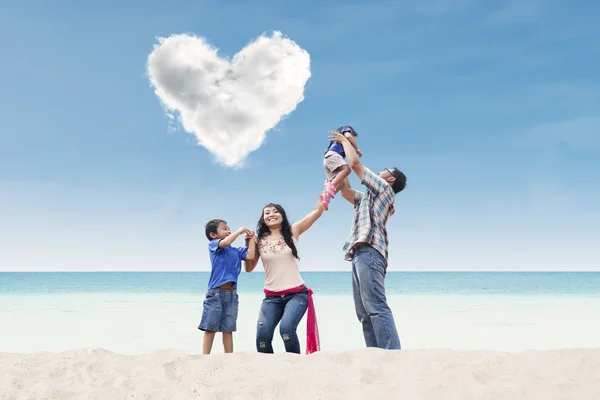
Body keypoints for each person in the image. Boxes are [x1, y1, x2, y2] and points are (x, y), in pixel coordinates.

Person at [328, 130, 407, 350]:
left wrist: (345, 141)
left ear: (390, 179)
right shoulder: (367, 198)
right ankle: (374, 353)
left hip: (371, 251)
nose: (380, 171)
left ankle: (391, 354)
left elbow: (355, 165)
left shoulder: (384, 189)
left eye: (385, 170)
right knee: (363, 311)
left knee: (376, 306)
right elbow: (345, 191)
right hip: (360, 253)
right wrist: (335, 166)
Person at [244, 197, 327, 354]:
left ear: (282, 215)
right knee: (263, 336)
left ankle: (294, 366)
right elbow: (249, 268)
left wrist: (326, 194)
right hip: (271, 298)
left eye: (276, 211)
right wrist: (249, 245)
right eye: (267, 212)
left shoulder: (293, 231)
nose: (271, 214)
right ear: (263, 218)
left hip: (296, 295)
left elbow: (317, 212)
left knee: (287, 330)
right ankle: (268, 369)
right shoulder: (258, 240)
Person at [198, 219, 256, 354]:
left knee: (228, 329)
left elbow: (251, 255)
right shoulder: (214, 245)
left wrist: (251, 239)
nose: (228, 230)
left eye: (229, 228)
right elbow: (225, 242)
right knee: (210, 327)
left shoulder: (236, 251)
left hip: (232, 295)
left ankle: (229, 357)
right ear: (213, 234)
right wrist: (239, 231)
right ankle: (205, 357)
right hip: (215, 293)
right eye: (225, 228)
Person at [320, 126, 363, 209]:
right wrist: (357, 148)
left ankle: (325, 198)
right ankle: (330, 185)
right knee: (347, 170)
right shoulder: (346, 130)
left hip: (328, 159)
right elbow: (348, 136)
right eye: (355, 139)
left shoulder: (337, 143)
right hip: (333, 155)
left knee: (342, 183)